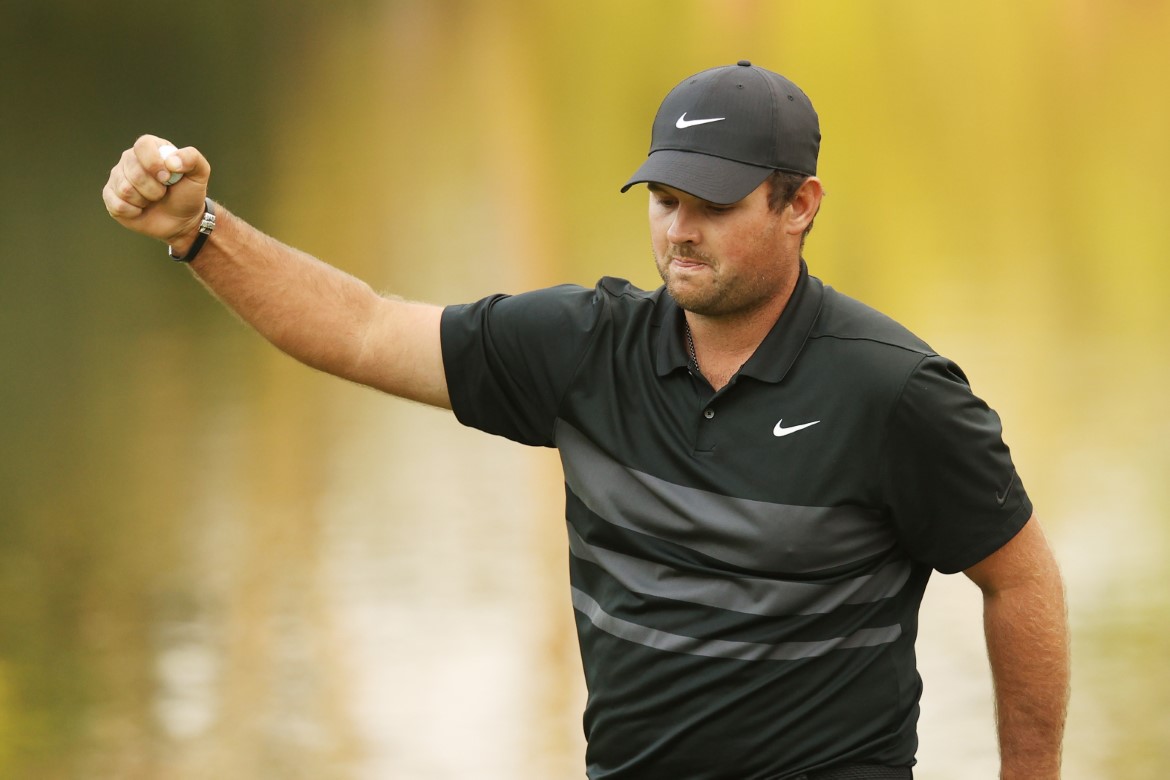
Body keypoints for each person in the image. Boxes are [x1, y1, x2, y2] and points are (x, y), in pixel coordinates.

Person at [103, 61, 1069, 780]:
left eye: (715, 204)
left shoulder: (894, 390)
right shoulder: (583, 348)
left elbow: (1018, 577)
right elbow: (359, 329)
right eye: (663, 198)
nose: (678, 230)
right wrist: (199, 230)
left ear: (799, 205)